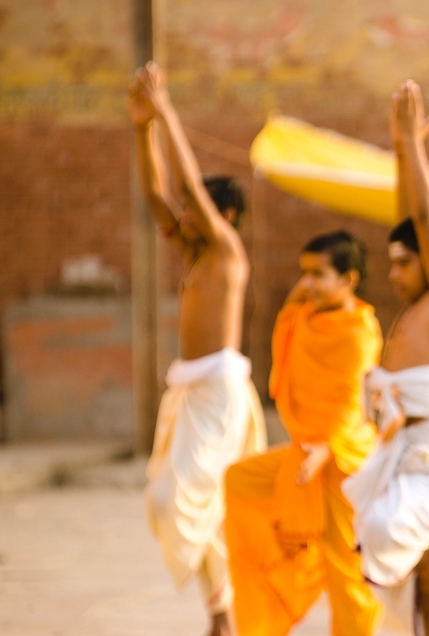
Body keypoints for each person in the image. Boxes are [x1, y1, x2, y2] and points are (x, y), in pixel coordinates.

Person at [130, 62, 266, 636]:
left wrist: (168, 112)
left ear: (223, 216)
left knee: (174, 501)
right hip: (187, 393)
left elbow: (185, 191)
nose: (182, 218)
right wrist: (142, 129)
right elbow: (159, 194)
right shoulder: (192, 257)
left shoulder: (228, 250)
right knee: (189, 505)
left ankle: (228, 610)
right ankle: (221, 614)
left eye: (197, 212)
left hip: (219, 394)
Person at [341, 80, 429, 636]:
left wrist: (414, 147)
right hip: (401, 451)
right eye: (391, 262)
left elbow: (424, 220)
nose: (393, 273)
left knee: (385, 531)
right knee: (425, 572)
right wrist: (400, 150)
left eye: (404, 263)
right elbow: (409, 223)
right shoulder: (412, 307)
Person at [223, 232, 383, 635]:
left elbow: (351, 402)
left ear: (349, 279)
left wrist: (326, 449)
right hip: (304, 454)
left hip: (342, 458)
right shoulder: (304, 315)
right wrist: (312, 275)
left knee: (345, 572)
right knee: (239, 479)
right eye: (304, 273)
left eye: (319, 274)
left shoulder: (358, 329)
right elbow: (295, 300)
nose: (307, 283)